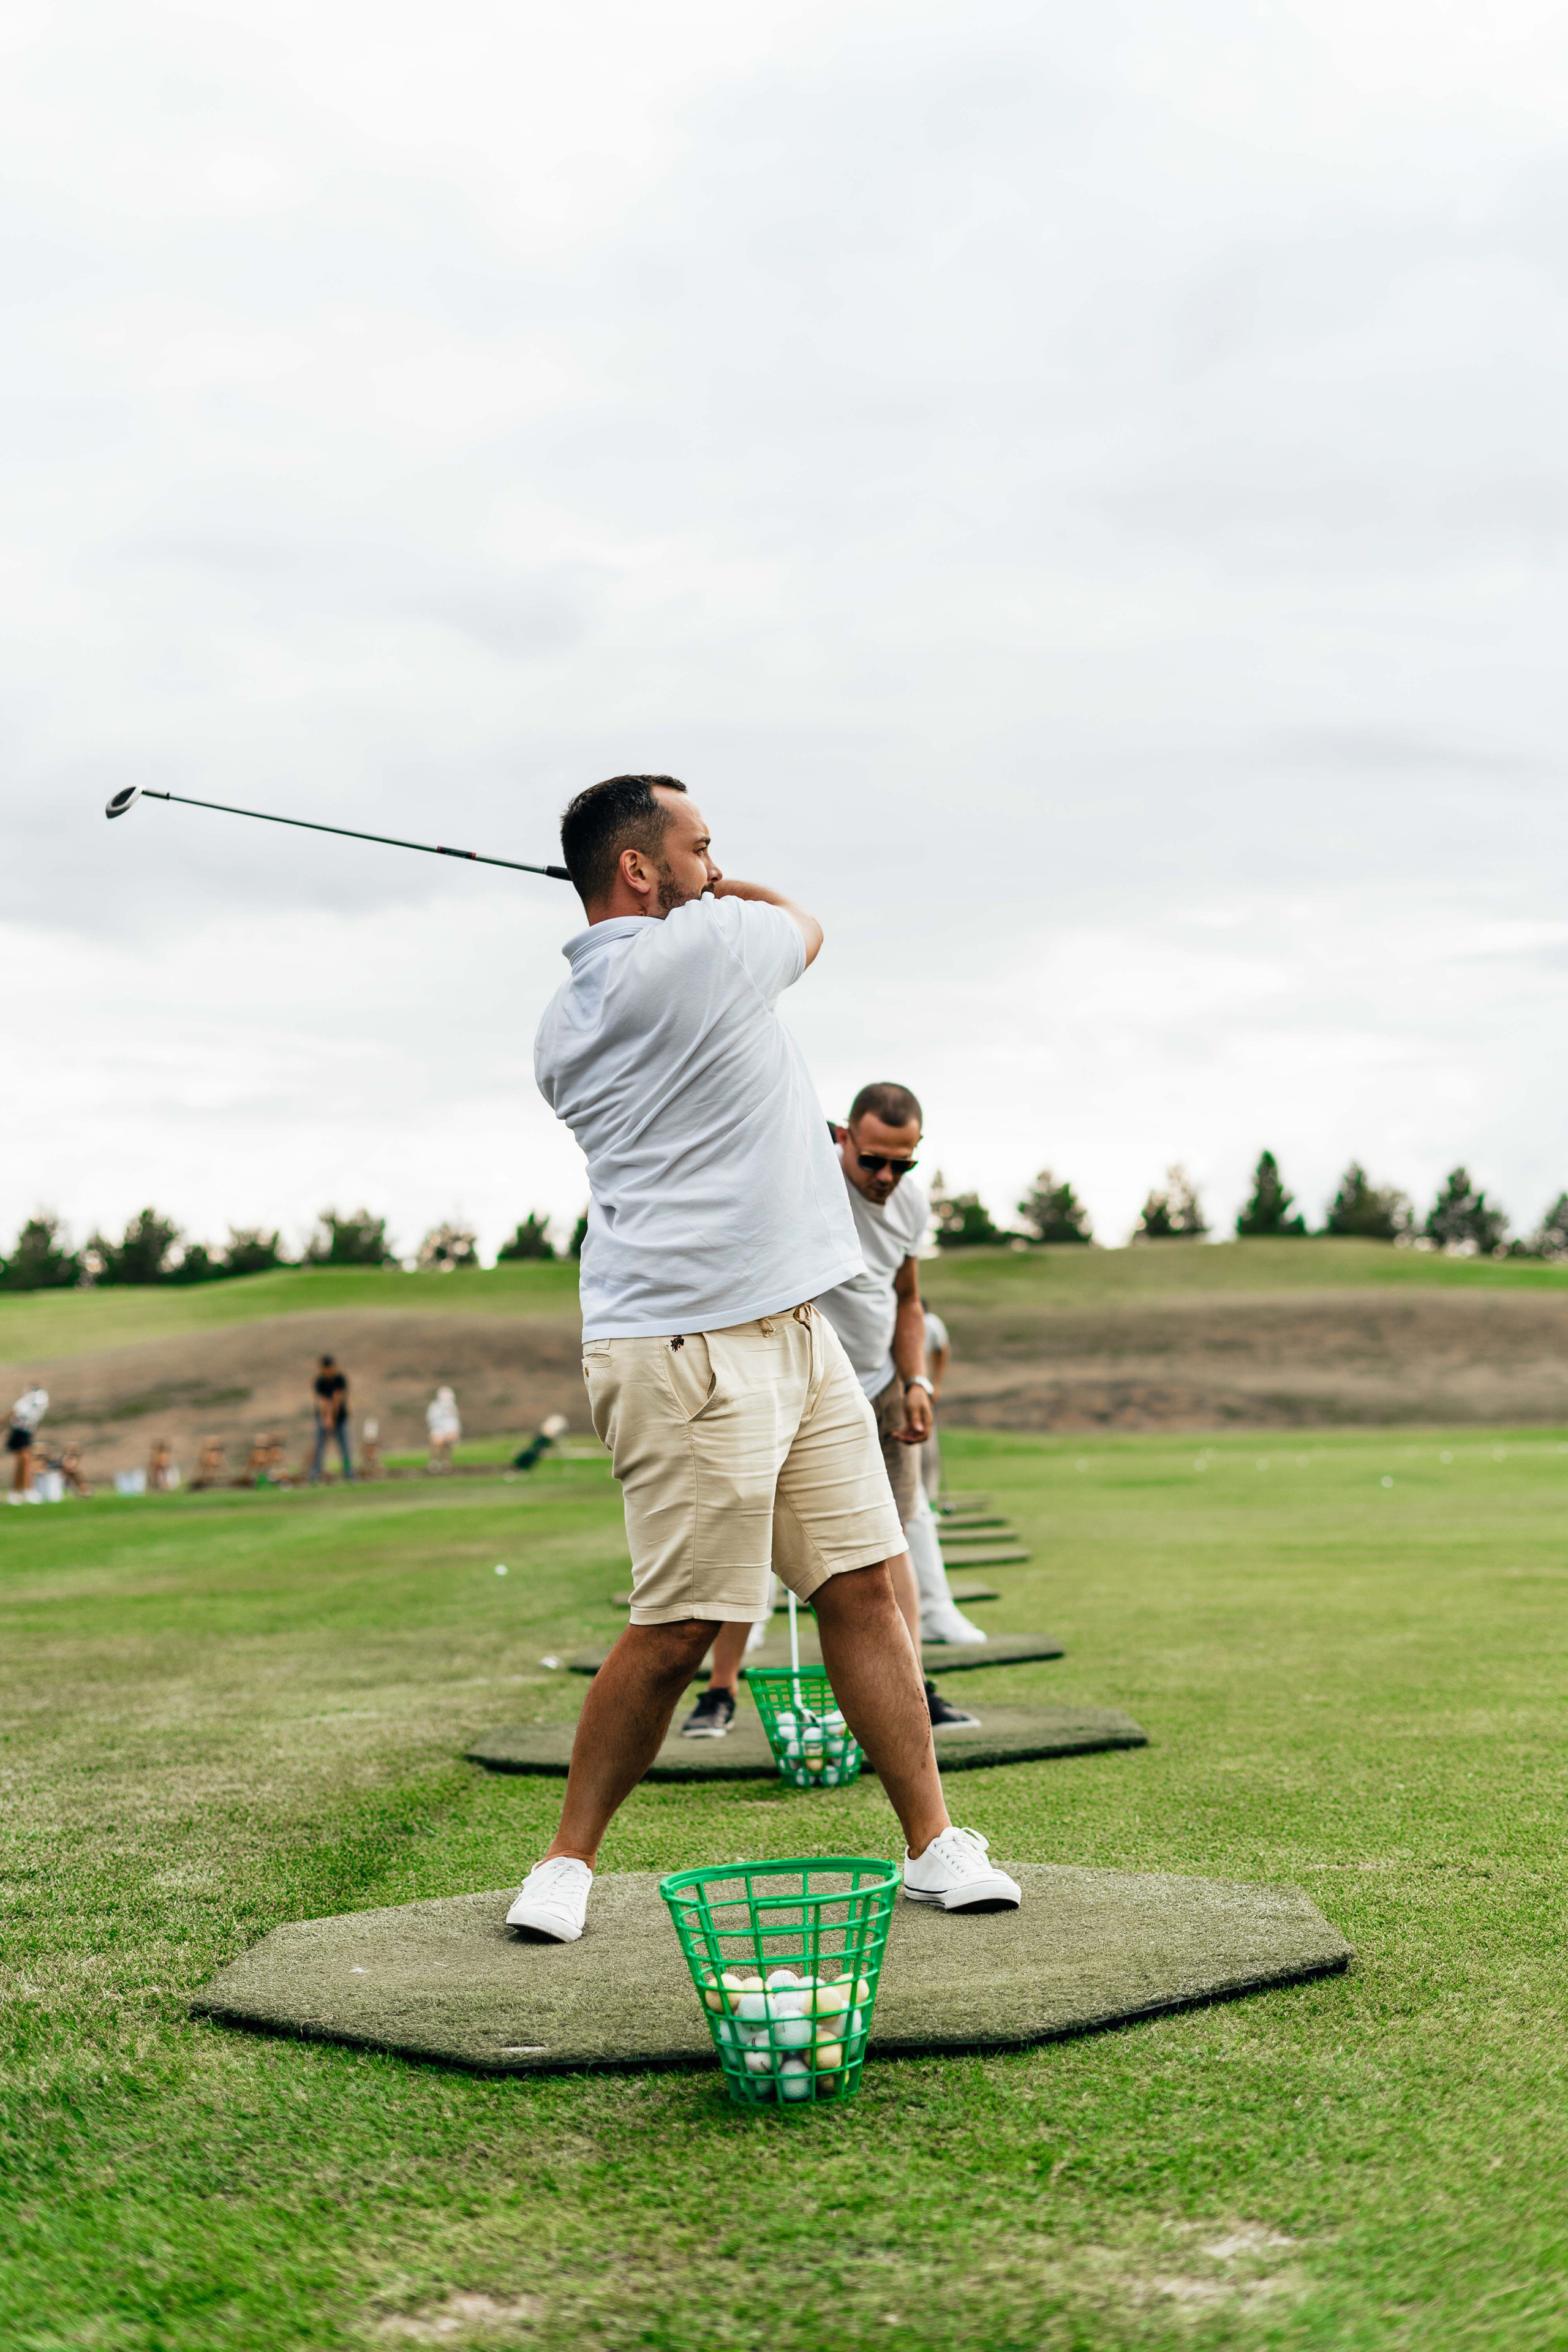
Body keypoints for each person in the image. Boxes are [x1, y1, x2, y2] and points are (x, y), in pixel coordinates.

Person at [506, 773, 1020, 1940]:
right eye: (698, 845)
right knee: (684, 1624)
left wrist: (671, 889)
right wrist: (718, 890)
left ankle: (935, 1843)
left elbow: (689, 937)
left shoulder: (565, 1018)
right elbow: (808, 921)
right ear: (642, 870)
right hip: (686, 1348)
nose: (713, 862)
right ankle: (565, 1864)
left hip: (791, 1334)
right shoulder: (707, 951)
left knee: (862, 1585)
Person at [682, 1080, 982, 1732]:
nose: (885, 1177)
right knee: (754, 1538)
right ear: (842, 1137)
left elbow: (907, 1299)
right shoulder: (806, 1170)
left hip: (879, 1389)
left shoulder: (910, 1207)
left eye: (902, 1164)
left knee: (893, 1542)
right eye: (871, 1159)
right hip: (800, 1385)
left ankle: (914, 1690)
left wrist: (916, 1384)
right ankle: (720, 1692)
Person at [310, 1356, 353, 1482]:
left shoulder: (339, 1379)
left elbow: (336, 1399)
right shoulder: (320, 1381)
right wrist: (326, 1419)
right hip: (323, 1419)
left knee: (345, 1447)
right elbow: (323, 1401)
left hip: (340, 1418)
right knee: (319, 1447)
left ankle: (349, 1474)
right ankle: (315, 1474)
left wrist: (332, 1418)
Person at [6, 1383, 47, 1503]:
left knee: (23, 1463)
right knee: (25, 1461)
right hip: (18, 1433)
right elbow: (13, 1415)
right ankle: (27, 1491)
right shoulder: (23, 1403)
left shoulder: (39, 1402)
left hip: (26, 1434)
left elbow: (35, 1423)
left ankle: (16, 1492)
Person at [426, 1385, 461, 1472]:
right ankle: (434, 1463)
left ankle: (446, 1463)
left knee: (449, 1444)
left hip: (449, 1430)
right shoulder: (435, 1407)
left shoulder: (453, 1407)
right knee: (437, 1445)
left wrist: (452, 1432)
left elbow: (455, 1422)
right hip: (438, 1430)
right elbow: (431, 1420)